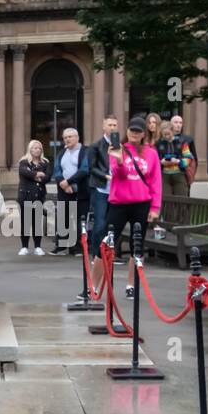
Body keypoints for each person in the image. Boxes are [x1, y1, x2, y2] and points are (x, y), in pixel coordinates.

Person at [103, 116, 161, 300]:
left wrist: (155, 207)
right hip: (119, 203)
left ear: (144, 133)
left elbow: (155, 182)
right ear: (127, 131)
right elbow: (119, 175)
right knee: (106, 243)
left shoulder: (151, 153)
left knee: (138, 246)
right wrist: (119, 160)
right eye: (132, 130)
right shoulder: (117, 149)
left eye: (138, 131)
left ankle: (132, 284)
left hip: (141, 203)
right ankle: (95, 286)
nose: (134, 134)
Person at [51, 127, 89, 255]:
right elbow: (56, 169)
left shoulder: (85, 151)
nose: (67, 139)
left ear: (77, 137)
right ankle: (61, 246)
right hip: (64, 190)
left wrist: (69, 182)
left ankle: (77, 248)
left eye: (70, 136)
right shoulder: (62, 153)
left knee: (78, 219)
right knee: (63, 218)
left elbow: (84, 169)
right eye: (65, 137)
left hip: (80, 190)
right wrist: (63, 183)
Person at [86, 116, 120, 257]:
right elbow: (92, 168)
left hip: (117, 189)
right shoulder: (96, 146)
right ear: (104, 127)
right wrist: (107, 176)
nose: (113, 127)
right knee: (100, 223)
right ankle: (96, 254)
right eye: (110, 125)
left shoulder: (119, 145)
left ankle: (111, 254)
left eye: (115, 125)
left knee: (113, 223)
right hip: (101, 188)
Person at [16, 140, 50, 256]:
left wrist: (34, 175)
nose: (37, 150)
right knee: (25, 222)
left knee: (37, 222)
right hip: (25, 196)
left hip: (39, 196)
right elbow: (24, 173)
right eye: (35, 148)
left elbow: (48, 177)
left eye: (39, 148)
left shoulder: (45, 163)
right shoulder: (24, 162)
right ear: (30, 149)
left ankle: (38, 247)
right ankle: (24, 247)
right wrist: (38, 174)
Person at [156, 123, 193, 197]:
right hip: (164, 176)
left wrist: (178, 161)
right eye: (164, 134)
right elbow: (154, 161)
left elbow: (189, 158)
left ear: (173, 131)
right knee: (166, 202)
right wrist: (161, 162)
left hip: (179, 175)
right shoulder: (158, 144)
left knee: (182, 201)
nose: (166, 136)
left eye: (168, 134)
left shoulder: (182, 142)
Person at [170, 113, 197, 183]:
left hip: (184, 172)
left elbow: (194, 159)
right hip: (167, 173)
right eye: (175, 122)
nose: (178, 125)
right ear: (170, 124)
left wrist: (191, 173)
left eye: (180, 123)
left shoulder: (188, 139)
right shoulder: (165, 139)